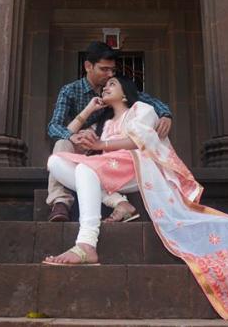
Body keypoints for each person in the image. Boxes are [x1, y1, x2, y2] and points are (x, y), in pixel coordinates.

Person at [43, 75, 228, 320]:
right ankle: (118, 203)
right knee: (56, 162)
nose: (106, 87)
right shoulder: (105, 122)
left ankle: (86, 243)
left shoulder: (142, 109)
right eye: (105, 85)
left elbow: (141, 141)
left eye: (112, 84)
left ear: (126, 93)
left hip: (138, 165)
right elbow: (71, 137)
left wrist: (101, 146)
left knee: (86, 170)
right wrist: (88, 132)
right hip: (109, 166)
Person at [45, 41, 173, 222]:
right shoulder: (70, 91)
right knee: (61, 144)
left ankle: (110, 209)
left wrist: (166, 115)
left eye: (112, 70)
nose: (110, 75)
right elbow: (53, 126)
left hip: (111, 149)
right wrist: (72, 135)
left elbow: (145, 99)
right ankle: (61, 202)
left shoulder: (115, 87)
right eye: (104, 69)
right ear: (88, 66)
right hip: (82, 144)